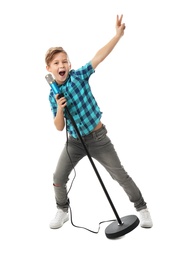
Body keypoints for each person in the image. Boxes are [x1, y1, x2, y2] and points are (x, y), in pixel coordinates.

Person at [45, 14, 153, 229]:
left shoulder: (78, 76)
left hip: (97, 137)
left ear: (70, 63)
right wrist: (59, 109)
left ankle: (142, 208)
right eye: (56, 63)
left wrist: (117, 36)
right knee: (58, 177)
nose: (61, 65)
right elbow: (59, 127)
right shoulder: (53, 96)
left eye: (64, 61)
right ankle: (62, 210)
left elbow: (99, 56)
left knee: (119, 174)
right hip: (75, 142)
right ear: (49, 69)